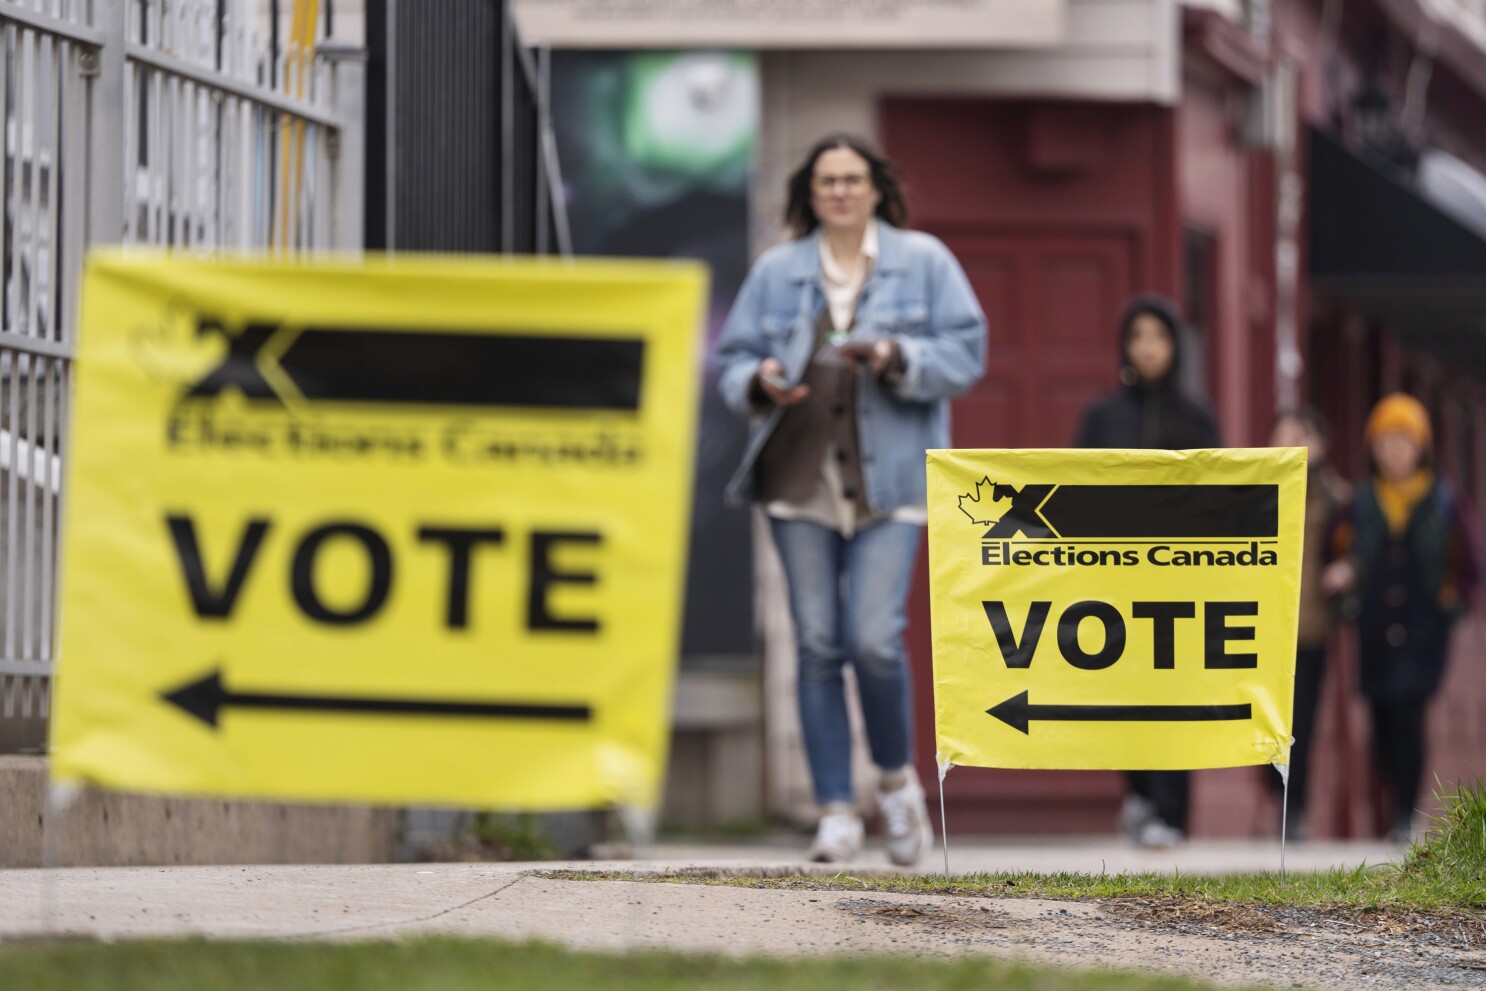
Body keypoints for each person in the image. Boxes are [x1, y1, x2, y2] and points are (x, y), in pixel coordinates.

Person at [715, 134, 987, 864]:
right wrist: (758, 379)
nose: (839, 191)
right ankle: (835, 808)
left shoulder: (924, 261)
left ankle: (895, 785)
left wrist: (898, 355)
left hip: (890, 484)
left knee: (873, 637)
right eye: (827, 180)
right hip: (798, 482)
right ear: (810, 193)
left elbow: (968, 353)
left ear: (876, 189)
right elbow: (731, 360)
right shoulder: (777, 271)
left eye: (852, 179)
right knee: (815, 644)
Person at [1073, 294, 1221, 848]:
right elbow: (1074, 487)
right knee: (1123, 688)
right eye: (1137, 337)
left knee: (1175, 693)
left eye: (1158, 336)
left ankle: (1171, 812)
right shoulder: (1102, 417)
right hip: (1115, 579)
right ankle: (1139, 793)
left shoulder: (1197, 417)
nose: (1148, 348)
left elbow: (1219, 495)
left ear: (1176, 345)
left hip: (1179, 581)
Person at [1320, 393, 1477, 842]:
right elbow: (1335, 551)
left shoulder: (1443, 500)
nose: (1394, 451)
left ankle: (1406, 813)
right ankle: (1393, 804)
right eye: (1385, 442)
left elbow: (1468, 562)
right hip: (1374, 624)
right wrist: (1345, 592)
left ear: (1421, 446)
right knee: (1382, 718)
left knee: (1410, 713)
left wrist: (1452, 603)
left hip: (1424, 626)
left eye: (1403, 441)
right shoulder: (1361, 501)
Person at [1265, 407, 1350, 841]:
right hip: (1259, 629)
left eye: (1301, 436)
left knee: (1301, 726)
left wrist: (1348, 569)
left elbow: (1357, 547)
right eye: (1283, 435)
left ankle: (1293, 809)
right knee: (1262, 720)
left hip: (1310, 627)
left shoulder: (1337, 497)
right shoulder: (1257, 489)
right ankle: (1274, 797)